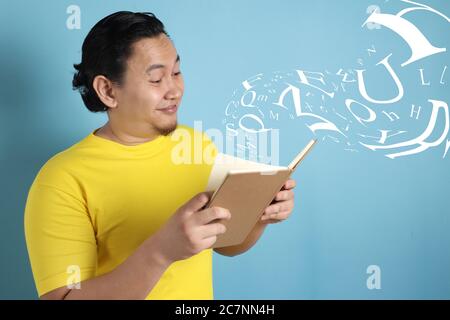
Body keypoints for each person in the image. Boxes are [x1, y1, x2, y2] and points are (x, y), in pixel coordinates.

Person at [24, 11, 296, 300]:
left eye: (176, 72)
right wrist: (160, 253)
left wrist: (260, 215)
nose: (175, 90)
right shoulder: (61, 179)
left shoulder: (197, 145)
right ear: (107, 90)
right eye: (156, 79)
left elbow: (225, 243)